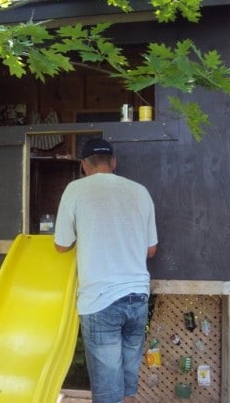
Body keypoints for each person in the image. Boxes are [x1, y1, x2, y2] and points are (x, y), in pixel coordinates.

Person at [54, 138, 158, 403]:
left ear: (83, 166)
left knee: (108, 392)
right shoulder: (140, 191)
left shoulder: (75, 190)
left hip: (100, 302)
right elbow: (151, 250)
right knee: (127, 387)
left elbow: (61, 246)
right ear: (113, 163)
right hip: (137, 297)